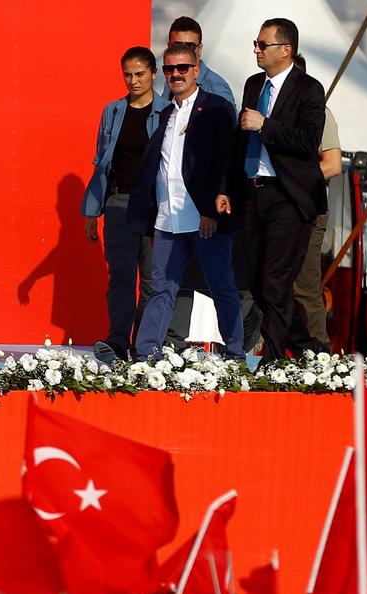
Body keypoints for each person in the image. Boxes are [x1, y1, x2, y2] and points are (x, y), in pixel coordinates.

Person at [219, 18, 327, 363]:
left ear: (286, 50)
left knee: (275, 280)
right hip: (253, 193)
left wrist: (266, 124)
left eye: (262, 44)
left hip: (288, 196)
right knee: (255, 279)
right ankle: (307, 344)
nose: (256, 49)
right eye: (256, 43)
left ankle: (275, 356)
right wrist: (226, 189)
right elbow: (238, 142)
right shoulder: (253, 85)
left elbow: (309, 142)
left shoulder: (309, 89)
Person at [127, 44, 243, 360]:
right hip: (168, 218)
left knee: (221, 286)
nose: (175, 74)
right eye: (169, 69)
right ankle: (146, 354)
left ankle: (234, 353)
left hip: (203, 216)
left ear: (196, 69)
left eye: (182, 68)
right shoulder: (166, 113)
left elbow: (226, 160)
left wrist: (212, 210)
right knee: (161, 289)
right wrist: (149, 215)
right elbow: (158, 168)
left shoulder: (217, 108)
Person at [82, 46, 169, 364]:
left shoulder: (167, 112)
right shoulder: (112, 111)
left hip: (154, 205)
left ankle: (144, 346)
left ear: (153, 74)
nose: (133, 81)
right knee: (120, 275)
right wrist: (93, 211)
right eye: (127, 74)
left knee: (150, 278)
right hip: (118, 202)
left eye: (139, 74)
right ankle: (117, 341)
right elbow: (101, 163)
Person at [290, 53, 341, 349]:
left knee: (305, 284)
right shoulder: (266, 113)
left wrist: (290, 177)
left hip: (307, 208)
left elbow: (333, 164)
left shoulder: (320, 112)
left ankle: (319, 353)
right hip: (276, 208)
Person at [159, 16, 236, 110]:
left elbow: (229, 122)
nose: (183, 52)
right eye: (177, 46)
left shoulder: (214, 87)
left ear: (199, 49)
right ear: (169, 47)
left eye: (190, 46)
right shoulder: (171, 77)